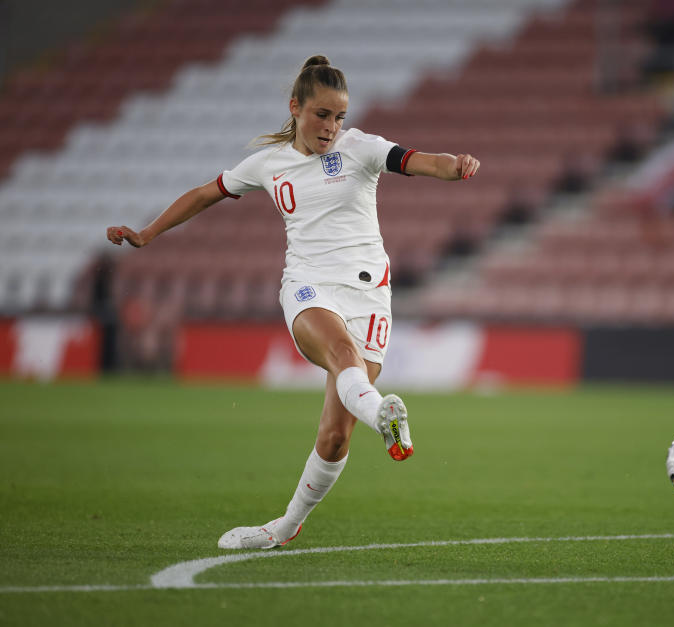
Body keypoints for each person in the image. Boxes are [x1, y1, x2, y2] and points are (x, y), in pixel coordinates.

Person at [106, 55, 480, 550]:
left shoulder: (360, 148)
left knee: (333, 438)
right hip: (308, 285)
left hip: (369, 294)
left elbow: (419, 161)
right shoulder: (269, 163)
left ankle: (282, 529)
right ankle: (387, 419)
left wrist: (455, 166)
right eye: (322, 114)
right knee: (343, 356)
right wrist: (149, 232)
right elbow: (205, 194)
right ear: (296, 108)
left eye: (339, 116)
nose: (331, 126)